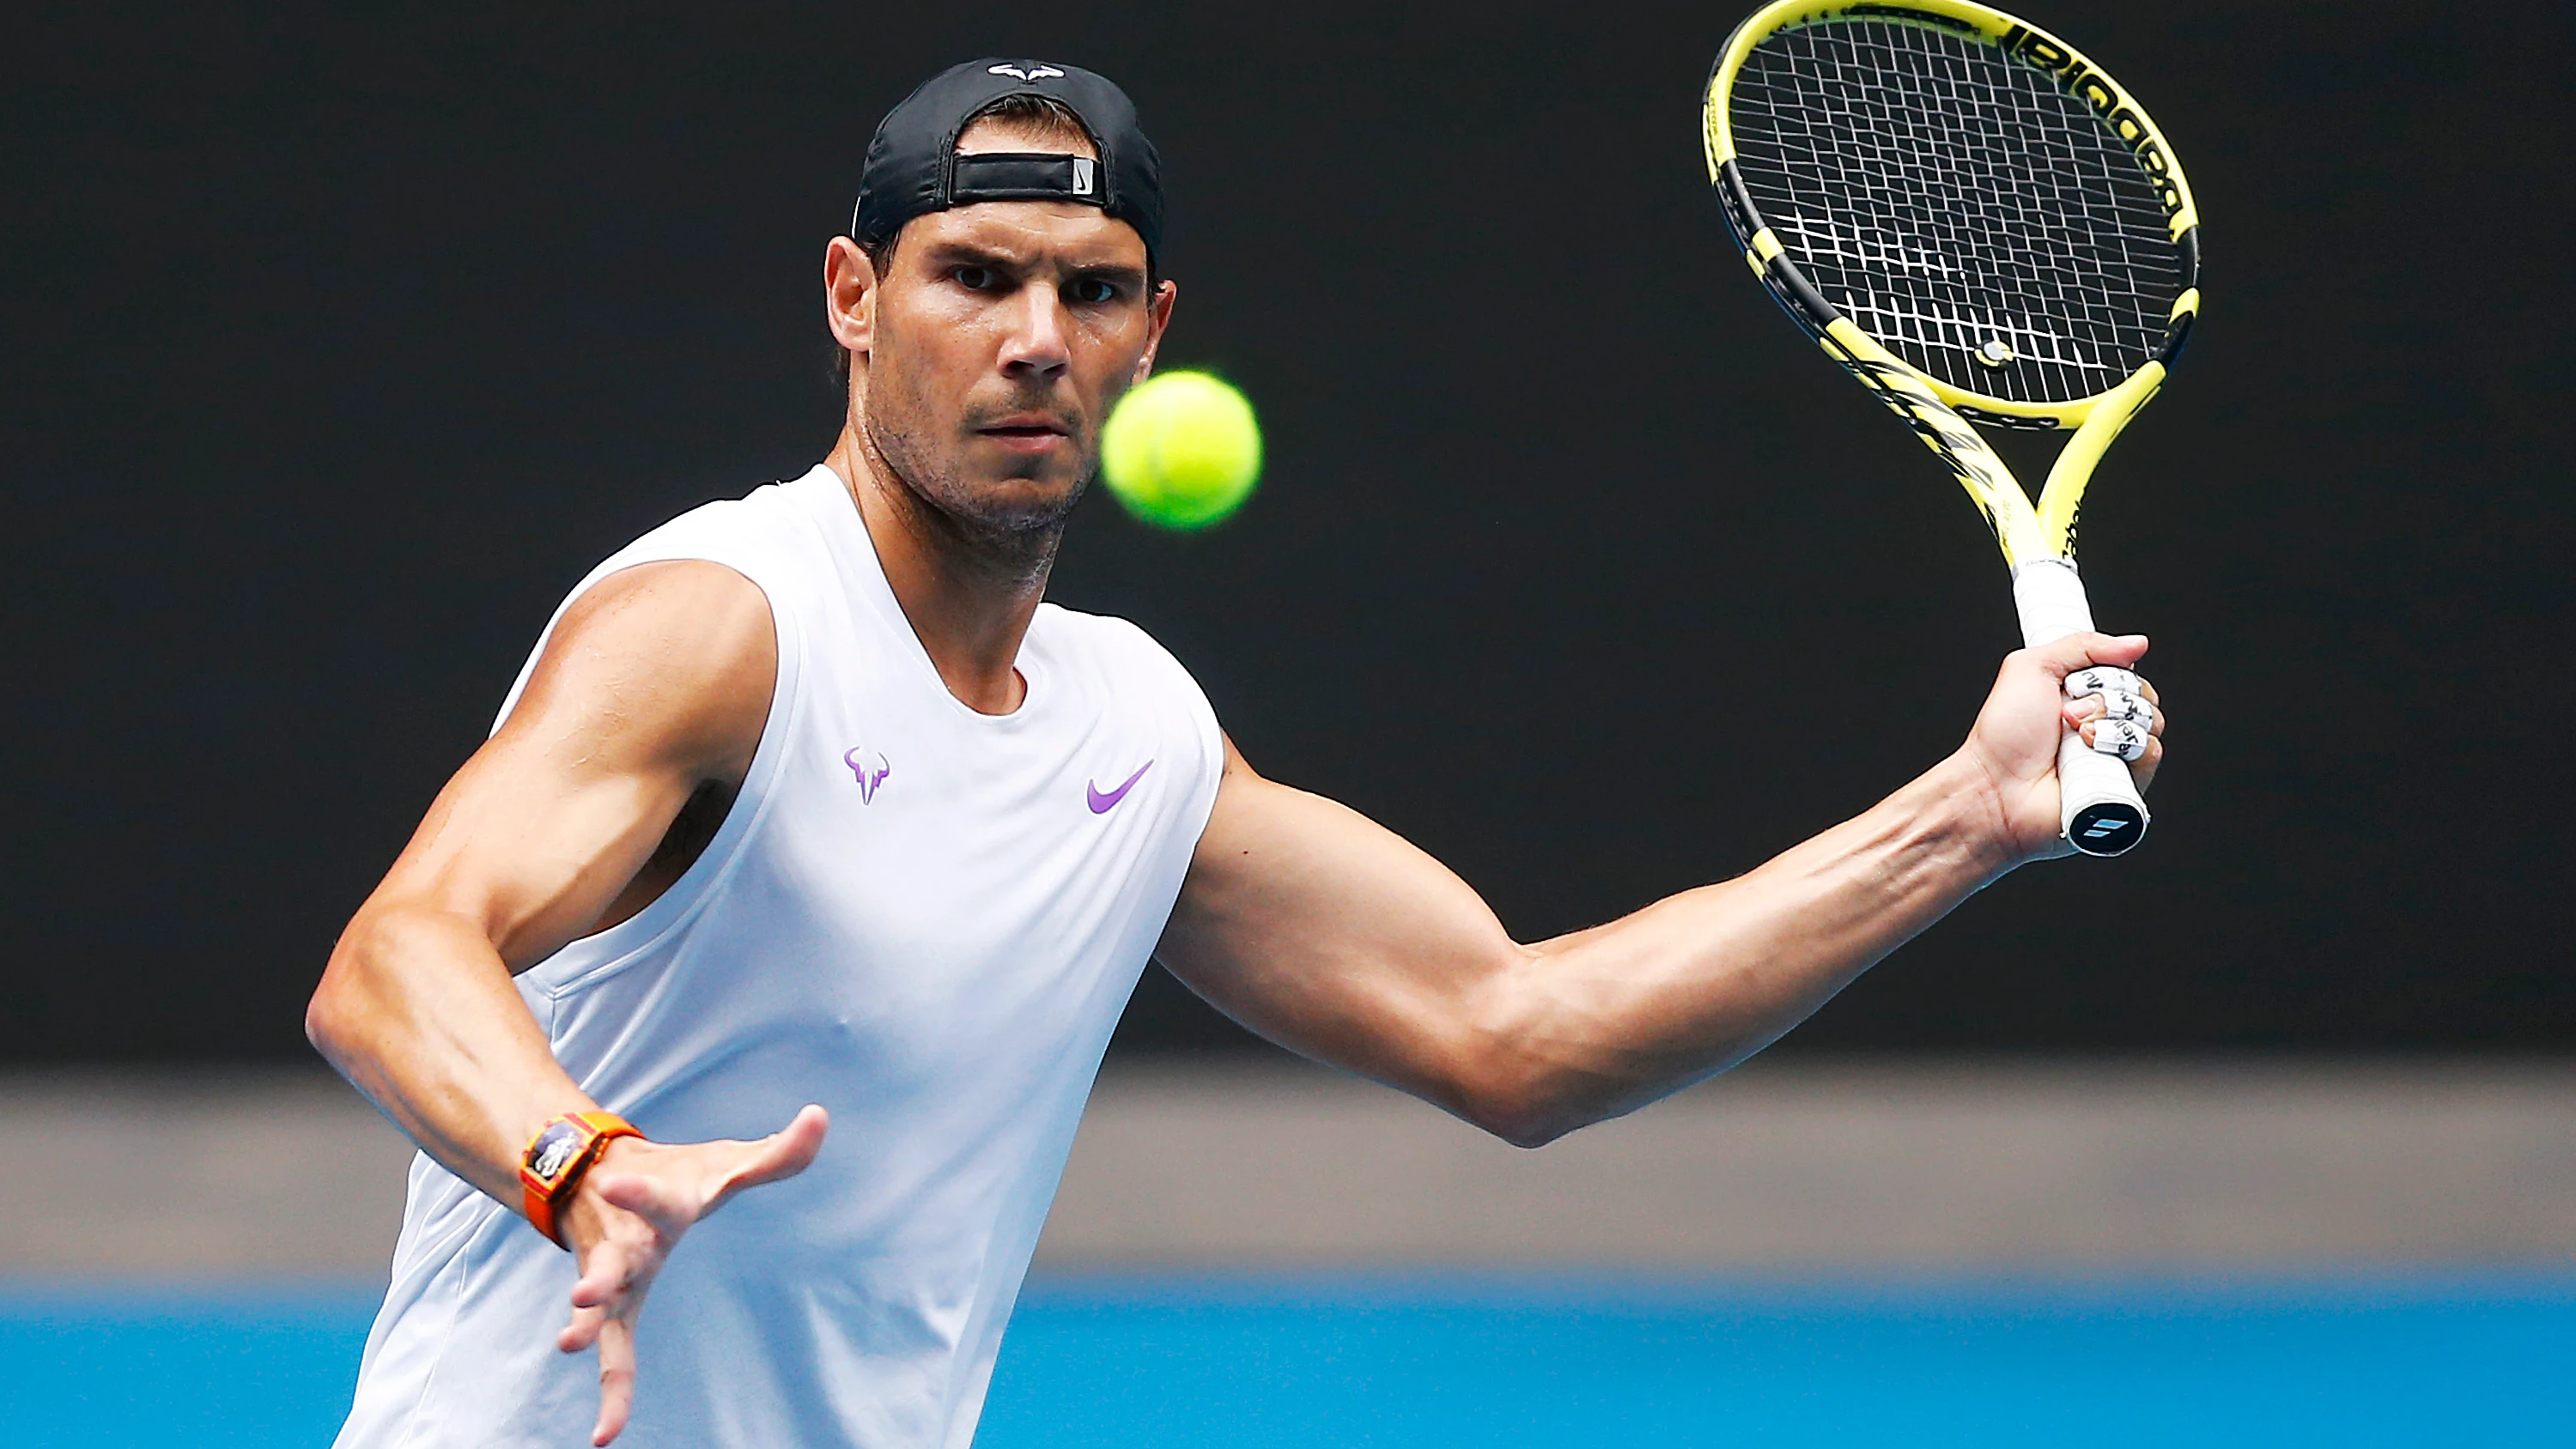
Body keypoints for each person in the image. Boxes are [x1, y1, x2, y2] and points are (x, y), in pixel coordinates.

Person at [307, 58, 2166, 1449]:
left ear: (1152, 333)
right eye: (973, 275)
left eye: (1092, 289)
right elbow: (393, 960)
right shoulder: (723, 623)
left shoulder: (1136, 736)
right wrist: (578, 1159)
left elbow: (1518, 1036)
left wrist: (1967, 818)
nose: (1036, 338)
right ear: (851, 300)